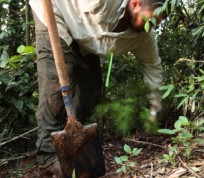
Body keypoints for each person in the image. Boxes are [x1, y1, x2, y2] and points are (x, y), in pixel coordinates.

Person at [30, 0, 165, 177]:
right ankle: (47, 156)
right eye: (149, 20)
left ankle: (69, 142)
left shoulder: (144, 36)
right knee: (56, 86)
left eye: (156, 22)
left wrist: (155, 110)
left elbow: (153, 70)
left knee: (92, 88)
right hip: (53, 13)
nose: (150, 26)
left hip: (84, 41)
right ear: (135, 3)